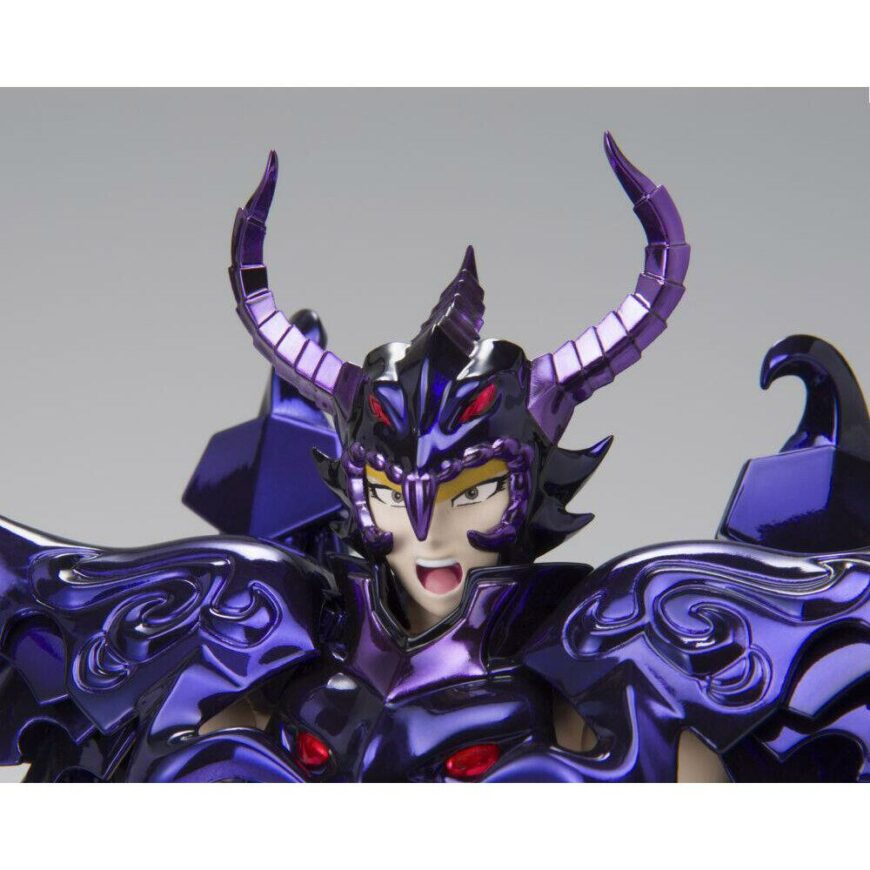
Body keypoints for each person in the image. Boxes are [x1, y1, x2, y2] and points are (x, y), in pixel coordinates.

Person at [1, 135, 867, 781]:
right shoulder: (264, 635)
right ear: (356, 490)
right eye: (390, 492)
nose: (427, 532)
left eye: (471, 491)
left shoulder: (609, 654)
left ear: (528, 486)